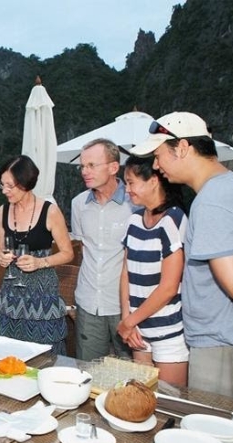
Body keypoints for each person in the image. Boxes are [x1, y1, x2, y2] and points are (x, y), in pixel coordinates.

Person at [131, 111, 233, 404]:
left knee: (214, 439)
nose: (156, 166)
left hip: (224, 348)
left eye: (158, 155)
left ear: (183, 147)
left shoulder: (211, 202)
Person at [118, 155, 189, 386]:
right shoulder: (134, 220)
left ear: (153, 181)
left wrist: (129, 322)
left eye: (131, 182)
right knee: (141, 398)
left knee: (170, 402)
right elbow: (126, 272)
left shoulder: (174, 220)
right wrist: (127, 318)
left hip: (167, 331)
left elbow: (168, 287)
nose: (127, 189)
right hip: (138, 330)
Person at [0, 155, 74, 354]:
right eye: (2, 185)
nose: (5, 191)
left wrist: (40, 262)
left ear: (26, 182)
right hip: (12, 291)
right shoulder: (2, 211)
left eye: (10, 186)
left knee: (45, 353)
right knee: (10, 353)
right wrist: (1, 257)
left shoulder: (50, 211)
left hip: (42, 294)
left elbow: (67, 253)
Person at [71, 138, 135, 361]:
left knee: (131, 374)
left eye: (91, 165)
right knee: (89, 372)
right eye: (82, 166)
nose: (84, 172)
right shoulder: (78, 204)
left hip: (125, 306)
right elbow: (82, 248)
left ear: (113, 167)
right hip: (88, 303)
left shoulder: (135, 203)